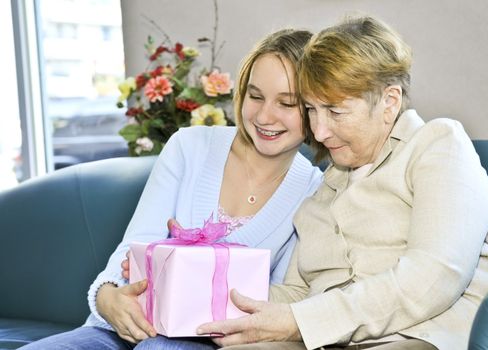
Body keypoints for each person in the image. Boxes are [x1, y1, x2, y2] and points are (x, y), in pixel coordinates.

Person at [195, 15, 488, 350]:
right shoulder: (326, 185)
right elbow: (300, 293)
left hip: (428, 334)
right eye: (312, 110)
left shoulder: (438, 145)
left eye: (336, 112)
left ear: (390, 101)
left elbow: (433, 275)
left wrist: (301, 321)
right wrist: (201, 289)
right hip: (339, 340)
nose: (319, 131)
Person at [19, 28, 322, 350]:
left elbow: (277, 302)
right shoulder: (189, 146)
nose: (263, 116)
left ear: (315, 108)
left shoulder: (315, 191)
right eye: (255, 96)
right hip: (122, 328)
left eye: (287, 103)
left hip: (211, 340)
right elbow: (136, 244)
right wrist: (107, 296)